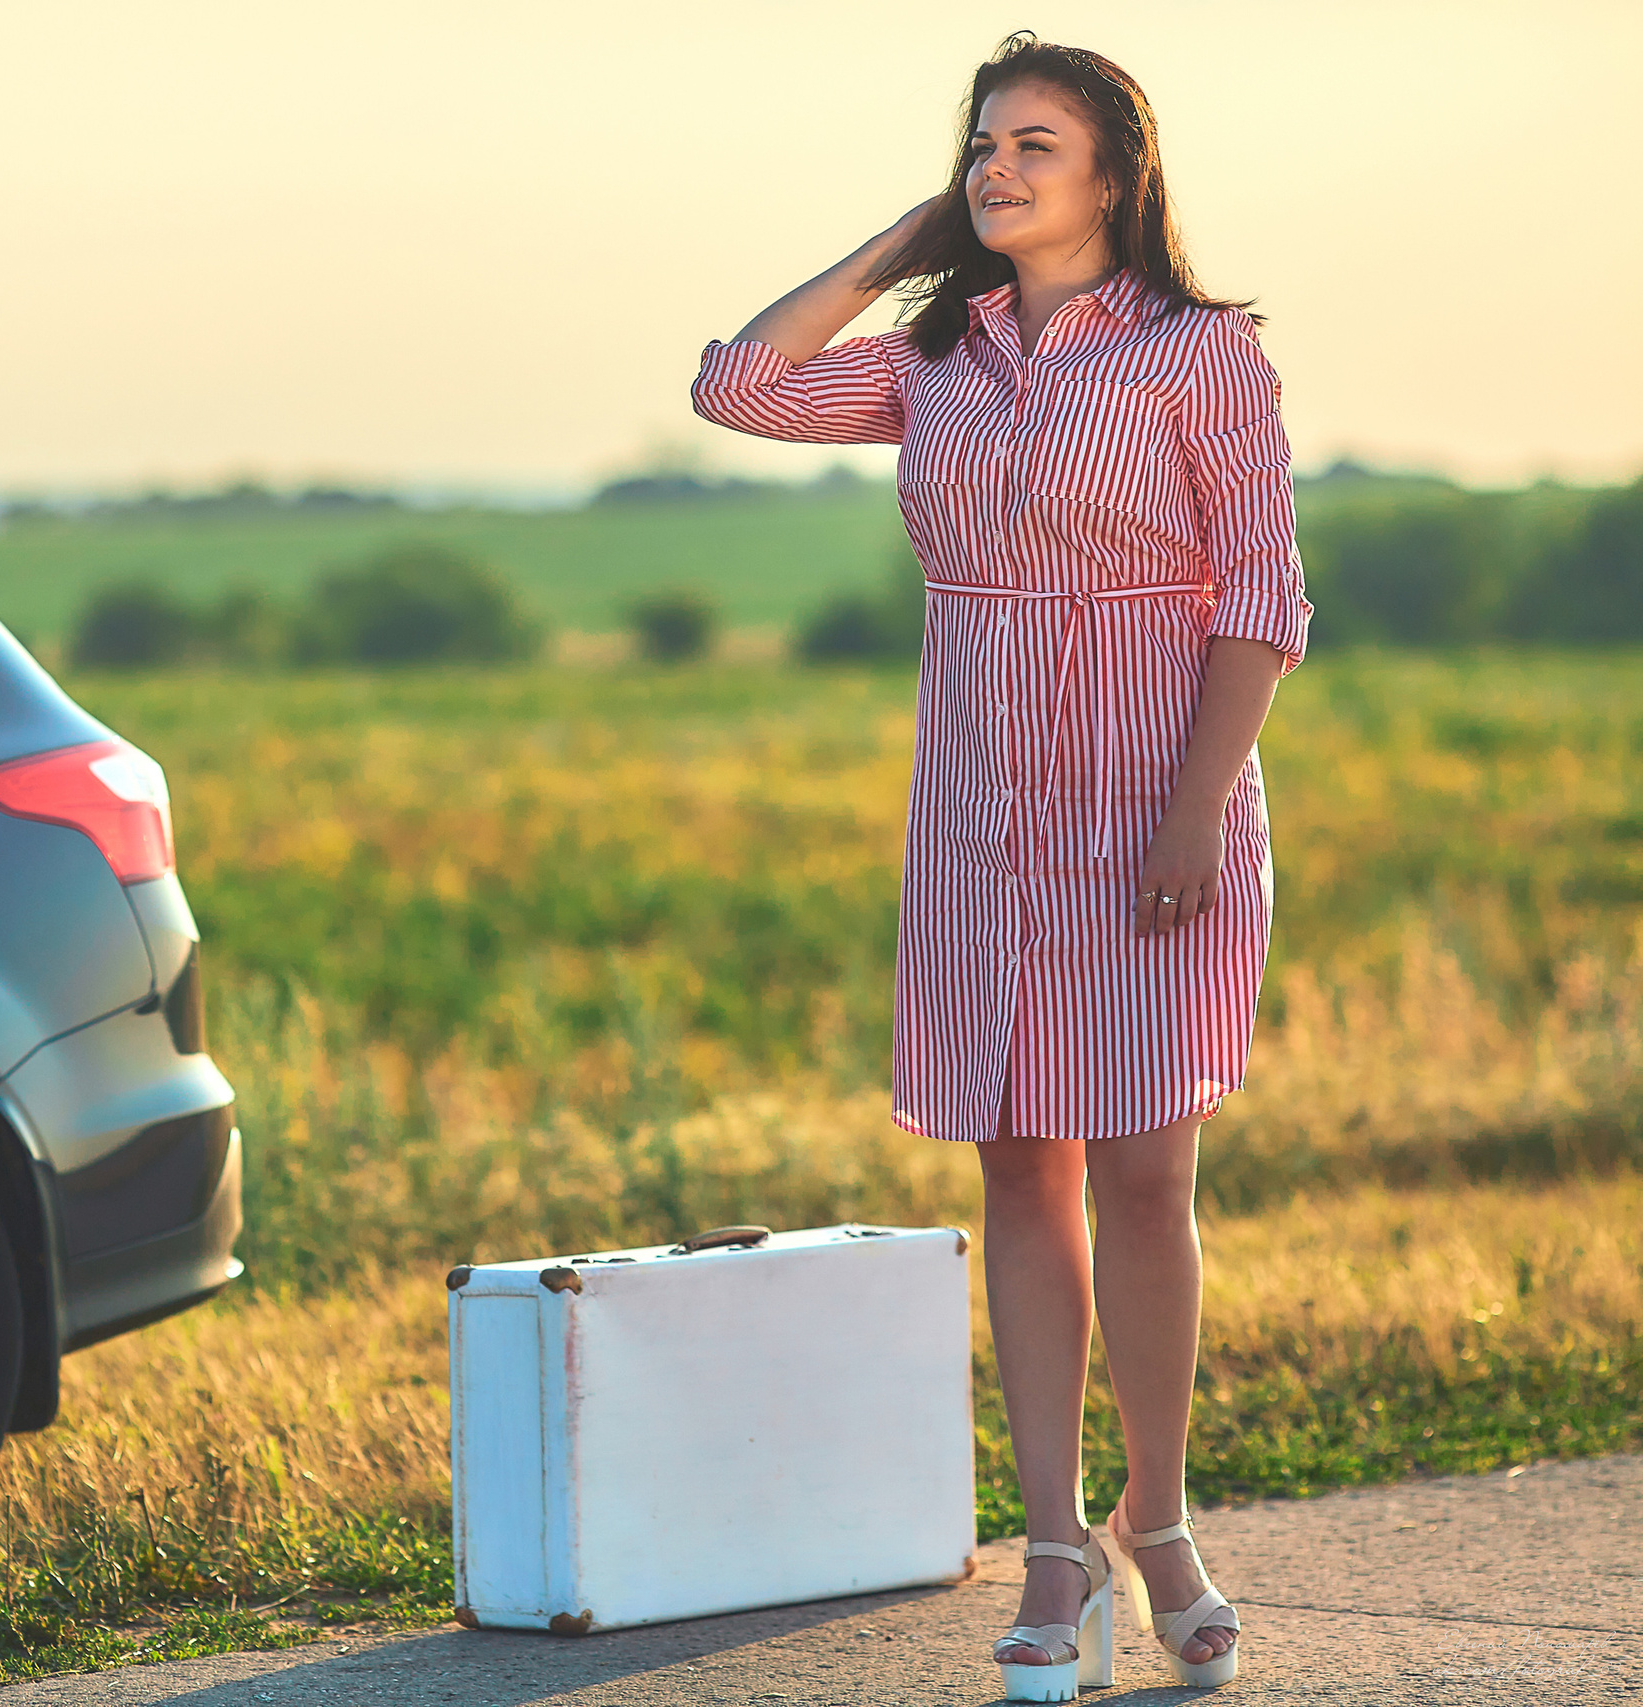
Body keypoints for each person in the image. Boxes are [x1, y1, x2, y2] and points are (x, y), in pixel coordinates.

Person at [691, 32, 1310, 1700]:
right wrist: (911, 239)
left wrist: (1197, 808)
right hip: (978, 821)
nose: (1001, 167)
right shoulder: (931, 368)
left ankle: (1161, 1520)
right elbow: (736, 385)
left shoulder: (1203, 360)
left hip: (1155, 807)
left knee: (1146, 1175)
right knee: (1018, 1168)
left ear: (1120, 174)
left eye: (1038, 143)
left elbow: (1261, 599)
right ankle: (1055, 1549)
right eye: (982, 144)